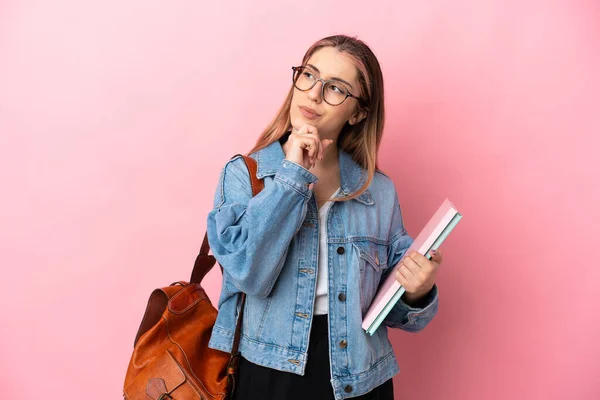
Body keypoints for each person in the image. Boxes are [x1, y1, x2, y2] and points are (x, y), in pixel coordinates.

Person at [206, 34, 443, 400]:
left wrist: (418, 290)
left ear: (358, 112)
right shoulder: (245, 174)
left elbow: (392, 314)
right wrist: (293, 176)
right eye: (308, 75)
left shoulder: (377, 191)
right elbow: (248, 274)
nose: (314, 94)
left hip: (360, 376)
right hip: (270, 374)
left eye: (335, 88)